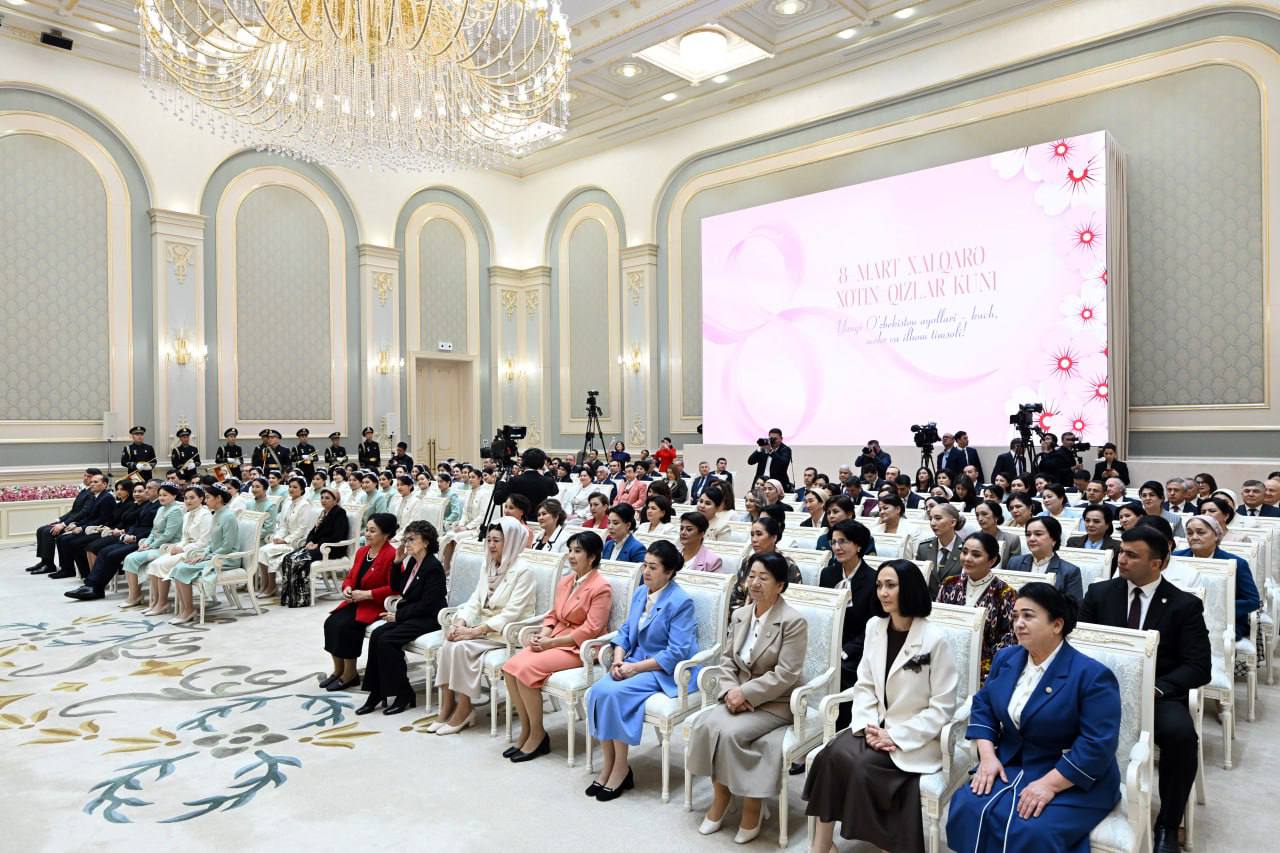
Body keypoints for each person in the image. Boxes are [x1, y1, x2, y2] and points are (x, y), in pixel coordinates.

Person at [947, 582, 1122, 853]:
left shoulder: (1092, 676)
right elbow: (984, 705)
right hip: (1012, 763)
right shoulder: (1007, 658)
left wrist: (1049, 785)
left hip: (1069, 775)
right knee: (967, 807)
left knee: (1032, 829)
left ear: (1057, 625)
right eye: (1015, 616)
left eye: (1028, 616)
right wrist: (988, 757)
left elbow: (1097, 745)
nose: (1018, 624)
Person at [806, 559, 959, 853]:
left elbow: (942, 708)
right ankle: (821, 845)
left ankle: (886, 844)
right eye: (879, 585)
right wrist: (868, 726)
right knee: (830, 756)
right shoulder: (874, 627)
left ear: (909, 588)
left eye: (891, 585)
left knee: (863, 767)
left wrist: (895, 735)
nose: (882, 592)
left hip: (913, 736)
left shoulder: (934, 639)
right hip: (873, 725)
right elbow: (864, 684)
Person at [1079, 527, 1210, 853]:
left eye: (1131, 555)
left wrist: (1158, 689)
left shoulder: (1184, 605)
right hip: (1098, 690)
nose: (1121, 559)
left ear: (1158, 563)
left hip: (1157, 694)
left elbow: (1198, 666)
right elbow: (1079, 646)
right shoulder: (1099, 593)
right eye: (1121, 552)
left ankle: (1167, 825)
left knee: (1182, 737)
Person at [686, 552, 808, 843]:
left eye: (764, 577)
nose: (755, 583)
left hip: (775, 702)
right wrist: (731, 691)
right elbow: (728, 660)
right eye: (751, 576)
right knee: (706, 725)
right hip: (736, 694)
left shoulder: (793, 621)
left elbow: (787, 673)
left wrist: (746, 693)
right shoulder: (741, 614)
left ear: (780, 585)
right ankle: (722, 798)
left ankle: (752, 806)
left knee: (730, 734)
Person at [585, 540, 697, 800]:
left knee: (615, 694)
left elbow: (677, 652)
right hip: (632, 661)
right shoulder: (640, 593)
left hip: (662, 670)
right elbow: (625, 631)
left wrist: (634, 668)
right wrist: (618, 660)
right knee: (598, 691)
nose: (646, 571)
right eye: (645, 565)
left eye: (653, 567)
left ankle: (621, 768)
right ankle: (608, 765)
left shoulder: (681, 602)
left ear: (669, 572)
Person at [501, 531, 612, 762]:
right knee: (510, 667)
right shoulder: (566, 581)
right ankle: (527, 729)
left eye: (577, 551)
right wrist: (542, 635)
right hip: (555, 639)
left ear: (592, 557)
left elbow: (591, 629)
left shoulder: (601, 587)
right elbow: (553, 615)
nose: (571, 556)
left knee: (526, 669)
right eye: (570, 550)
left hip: (580, 648)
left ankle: (538, 734)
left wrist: (551, 642)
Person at [433, 517, 536, 735]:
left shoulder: (523, 570)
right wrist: (460, 622)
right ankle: (447, 706)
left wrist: (474, 631)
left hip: (508, 632)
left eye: (497, 541)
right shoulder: (488, 564)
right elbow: (475, 600)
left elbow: (512, 613)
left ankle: (464, 708)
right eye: (489, 540)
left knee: (461, 648)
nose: (491, 545)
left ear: (511, 542)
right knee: (448, 644)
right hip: (482, 627)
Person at [358, 520, 447, 715]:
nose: (407, 543)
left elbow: (428, 604)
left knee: (387, 641)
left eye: (412, 539)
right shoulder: (414, 561)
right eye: (406, 539)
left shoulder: (433, 567)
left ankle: (403, 692)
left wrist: (399, 616)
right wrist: (397, 563)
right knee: (377, 635)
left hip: (430, 618)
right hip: (413, 615)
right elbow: (398, 588)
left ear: (426, 542)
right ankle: (376, 692)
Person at [319, 513, 399, 691]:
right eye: (367, 530)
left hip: (375, 604)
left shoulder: (391, 555)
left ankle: (350, 674)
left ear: (386, 534)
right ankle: (338, 670)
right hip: (355, 601)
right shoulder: (362, 552)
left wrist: (367, 594)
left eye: (373, 531)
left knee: (347, 627)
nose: (367, 534)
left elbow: (395, 588)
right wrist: (347, 588)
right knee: (331, 622)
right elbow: (351, 576)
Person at [818, 520, 878, 730]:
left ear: (858, 545)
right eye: (834, 542)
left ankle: (840, 727)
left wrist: (846, 650)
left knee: (842, 671)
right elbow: (822, 616)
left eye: (843, 542)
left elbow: (873, 626)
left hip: (858, 648)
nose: (837, 547)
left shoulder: (872, 579)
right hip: (828, 644)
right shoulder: (828, 574)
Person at [938, 532, 1017, 678]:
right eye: (964, 552)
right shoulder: (949, 583)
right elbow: (937, 623)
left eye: (976, 555)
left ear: (992, 560)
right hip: (944, 660)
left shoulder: (1004, 593)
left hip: (984, 669)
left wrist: (982, 667)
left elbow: (1009, 640)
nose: (967, 558)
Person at [1172, 514, 1260, 640]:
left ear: (1216, 535)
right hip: (1182, 617)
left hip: (1225, 621)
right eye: (1190, 533)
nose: (1194, 537)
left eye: (1201, 532)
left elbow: (1252, 601)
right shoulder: (1176, 558)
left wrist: (1217, 608)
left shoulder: (1237, 563)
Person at [165, 483, 242, 625]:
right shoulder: (216, 514)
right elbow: (212, 542)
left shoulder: (228, 516)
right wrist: (203, 554)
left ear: (218, 498)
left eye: (208, 497)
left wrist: (207, 556)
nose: (206, 501)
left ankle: (188, 610)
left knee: (182, 569)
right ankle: (186, 609)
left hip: (226, 559)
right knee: (179, 567)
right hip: (214, 555)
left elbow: (227, 546)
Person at [114, 483, 186, 608]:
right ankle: (134, 595)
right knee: (129, 558)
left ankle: (137, 596)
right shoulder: (161, 509)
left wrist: (151, 545)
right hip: (155, 544)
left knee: (133, 558)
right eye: (160, 495)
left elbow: (168, 535)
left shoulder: (176, 511)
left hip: (167, 546)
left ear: (174, 496)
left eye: (165, 495)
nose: (162, 498)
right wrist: (146, 543)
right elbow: (154, 531)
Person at [278, 487, 350, 608]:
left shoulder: (339, 513)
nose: (323, 500)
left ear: (335, 500)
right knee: (288, 558)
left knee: (298, 560)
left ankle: (301, 598)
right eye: (322, 498)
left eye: (327, 498)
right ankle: (291, 595)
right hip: (318, 547)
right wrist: (310, 541)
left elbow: (338, 536)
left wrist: (319, 544)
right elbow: (313, 531)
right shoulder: (324, 513)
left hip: (331, 549)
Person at [257, 476, 320, 598]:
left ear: (302, 490)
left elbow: (302, 529)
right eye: (290, 486)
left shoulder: (305, 505)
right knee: (262, 550)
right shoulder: (287, 502)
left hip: (297, 542)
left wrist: (285, 540)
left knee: (267, 551)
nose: (291, 489)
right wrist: (278, 537)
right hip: (284, 539)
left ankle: (271, 586)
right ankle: (266, 585)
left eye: (295, 487)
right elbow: (283, 525)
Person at [1006, 516, 1084, 604]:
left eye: (1038, 534)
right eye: (1028, 534)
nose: (1031, 539)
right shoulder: (1015, 562)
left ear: (1054, 539)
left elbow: (1074, 607)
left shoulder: (1070, 571)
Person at [733, 515, 803, 610]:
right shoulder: (748, 562)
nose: (754, 539)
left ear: (774, 537)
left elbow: (793, 601)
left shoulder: (788, 565)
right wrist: (743, 614)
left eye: (759, 534)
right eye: (752, 535)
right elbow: (736, 597)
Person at [916, 504, 964, 597]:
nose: (932, 523)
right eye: (931, 519)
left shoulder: (965, 550)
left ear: (953, 522)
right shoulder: (923, 548)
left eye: (938, 518)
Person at [1067, 503, 1120, 576]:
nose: (1090, 525)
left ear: (1107, 525)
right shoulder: (1073, 542)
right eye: (1087, 520)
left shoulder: (1117, 546)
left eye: (1096, 521)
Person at [972, 499, 1022, 568]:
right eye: (977, 515)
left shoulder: (1012, 540)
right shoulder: (972, 539)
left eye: (984, 514)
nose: (980, 519)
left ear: (996, 517)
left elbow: (1013, 567)